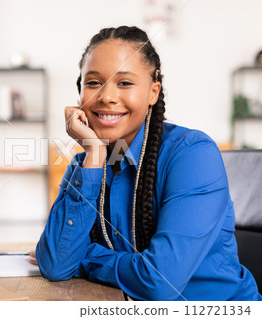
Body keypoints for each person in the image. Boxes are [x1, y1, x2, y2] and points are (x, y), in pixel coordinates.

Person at [35, 26, 262, 301]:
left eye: (125, 83)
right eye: (93, 82)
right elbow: (57, 265)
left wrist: (85, 257)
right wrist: (94, 153)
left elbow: (159, 281)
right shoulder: (86, 163)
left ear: (153, 92)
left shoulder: (192, 154)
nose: (106, 96)